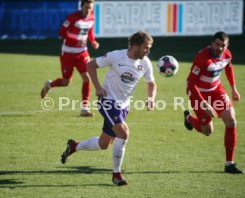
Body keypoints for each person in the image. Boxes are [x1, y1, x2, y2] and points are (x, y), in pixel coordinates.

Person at [60, 31, 157, 186]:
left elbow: (151, 84)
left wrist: (151, 98)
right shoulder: (116, 56)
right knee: (124, 133)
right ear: (136, 45)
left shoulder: (145, 63)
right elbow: (90, 65)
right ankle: (116, 174)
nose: (148, 51)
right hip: (107, 101)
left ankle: (74, 146)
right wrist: (98, 87)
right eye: (146, 47)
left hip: (123, 106)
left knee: (103, 144)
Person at [184, 31, 243, 174]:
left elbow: (228, 67)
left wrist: (234, 88)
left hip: (217, 90)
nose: (220, 48)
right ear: (212, 43)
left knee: (231, 122)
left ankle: (229, 164)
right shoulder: (202, 58)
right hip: (198, 93)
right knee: (207, 131)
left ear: (227, 45)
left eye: (223, 45)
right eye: (217, 44)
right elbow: (191, 84)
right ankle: (189, 118)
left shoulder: (227, 55)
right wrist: (204, 103)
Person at [40, 0, 99, 117]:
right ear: (81, 7)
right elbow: (62, 32)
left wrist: (93, 41)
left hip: (82, 53)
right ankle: (49, 85)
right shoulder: (73, 17)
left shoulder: (91, 17)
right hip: (68, 53)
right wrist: (76, 39)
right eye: (86, 7)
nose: (88, 11)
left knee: (87, 78)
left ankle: (84, 109)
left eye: (90, 8)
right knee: (65, 81)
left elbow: (90, 31)